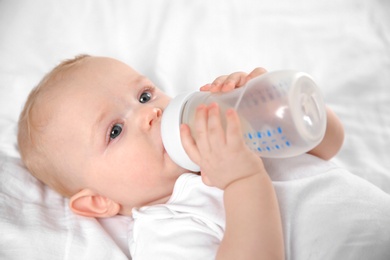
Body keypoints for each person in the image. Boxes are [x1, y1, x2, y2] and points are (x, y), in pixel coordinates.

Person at [17, 55, 344, 259]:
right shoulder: (166, 227)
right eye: (114, 131)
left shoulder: (231, 129)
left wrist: (271, 98)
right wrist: (243, 181)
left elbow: (329, 144)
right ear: (98, 201)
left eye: (144, 95)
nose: (150, 114)